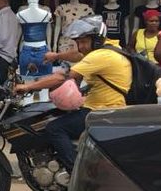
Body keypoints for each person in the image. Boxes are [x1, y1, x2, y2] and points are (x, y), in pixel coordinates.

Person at [14, 16, 129, 170]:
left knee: (54, 128)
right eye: (78, 42)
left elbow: (63, 77)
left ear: (95, 40)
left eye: (83, 42)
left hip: (100, 111)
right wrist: (57, 56)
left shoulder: (99, 56)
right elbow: (78, 55)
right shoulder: (110, 49)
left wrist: (28, 87)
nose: (80, 46)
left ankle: (75, 171)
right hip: (108, 108)